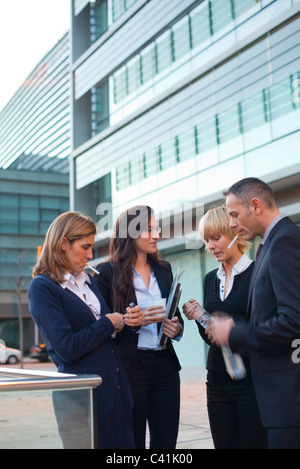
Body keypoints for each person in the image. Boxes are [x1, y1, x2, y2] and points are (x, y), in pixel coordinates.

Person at [27, 211, 141, 449]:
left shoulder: (88, 281)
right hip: (81, 402)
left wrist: (129, 323)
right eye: (85, 246)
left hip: (116, 394)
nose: (90, 255)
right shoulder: (43, 288)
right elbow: (67, 348)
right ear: (63, 243)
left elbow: (108, 341)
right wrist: (108, 322)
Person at [210, 177, 300, 449]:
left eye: (235, 215)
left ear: (256, 205)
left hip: (288, 397)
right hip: (278, 397)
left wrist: (235, 332)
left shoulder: (284, 242)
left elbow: (294, 320)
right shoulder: (273, 243)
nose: (233, 223)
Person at [94, 205, 184, 449]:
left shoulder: (163, 270)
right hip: (129, 368)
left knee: (166, 444)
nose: (156, 235)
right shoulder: (106, 273)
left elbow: (173, 314)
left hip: (165, 367)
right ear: (130, 233)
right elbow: (101, 326)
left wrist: (176, 329)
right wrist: (131, 322)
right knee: (132, 443)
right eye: (149, 229)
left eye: (157, 229)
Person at [183, 205, 267, 449]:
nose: (210, 246)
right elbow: (211, 336)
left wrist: (229, 327)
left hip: (251, 380)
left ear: (235, 234)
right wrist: (201, 317)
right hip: (217, 379)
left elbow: (262, 326)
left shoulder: (257, 274)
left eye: (216, 238)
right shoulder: (210, 278)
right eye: (207, 240)